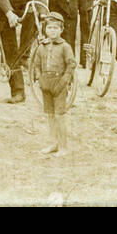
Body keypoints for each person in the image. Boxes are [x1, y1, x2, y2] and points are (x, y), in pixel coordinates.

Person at [33, 12, 76, 157]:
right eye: (50, 28)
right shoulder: (41, 46)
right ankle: (53, 143)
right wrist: (39, 79)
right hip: (46, 84)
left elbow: (71, 64)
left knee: (59, 116)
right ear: (45, 29)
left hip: (59, 85)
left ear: (61, 30)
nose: (52, 31)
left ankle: (63, 146)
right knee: (50, 115)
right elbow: (36, 65)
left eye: (55, 28)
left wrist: (64, 81)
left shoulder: (65, 47)